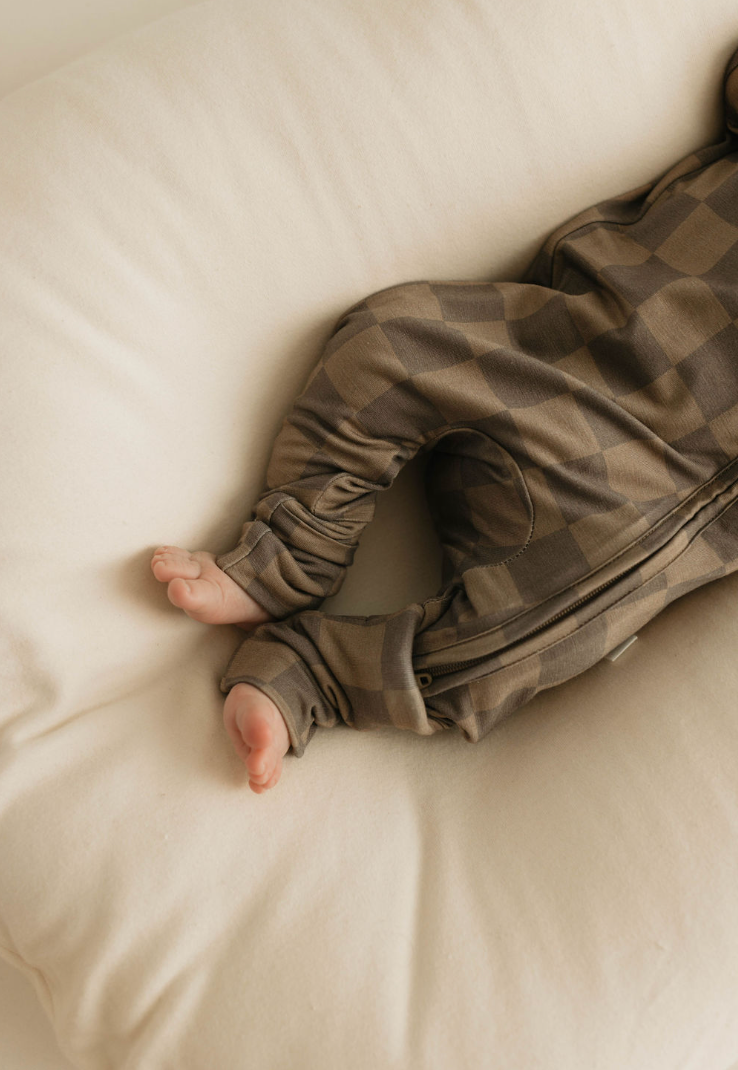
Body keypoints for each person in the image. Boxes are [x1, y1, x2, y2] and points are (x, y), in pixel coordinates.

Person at [152, 45, 738, 794]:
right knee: (384, 340)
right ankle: (291, 552)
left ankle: (317, 674)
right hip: (558, 347)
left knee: (510, 653)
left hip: (649, 494)